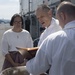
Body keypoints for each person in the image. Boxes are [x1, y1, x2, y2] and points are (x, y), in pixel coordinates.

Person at [25, 1, 75, 75]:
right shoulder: (44, 34)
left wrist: (28, 63)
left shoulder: (54, 37)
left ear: (50, 13)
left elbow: (37, 66)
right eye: (38, 18)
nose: (40, 20)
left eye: (42, 16)